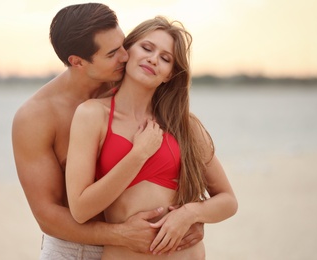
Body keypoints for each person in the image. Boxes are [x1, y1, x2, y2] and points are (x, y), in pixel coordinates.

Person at [12, 3, 203, 260]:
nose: (125, 56)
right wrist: (120, 234)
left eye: (123, 44)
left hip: (134, 248)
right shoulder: (36, 117)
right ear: (77, 62)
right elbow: (47, 215)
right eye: (113, 53)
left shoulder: (129, 82)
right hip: (75, 249)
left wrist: (189, 218)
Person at [65, 16, 238, 259]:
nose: (153, 59)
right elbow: (81, 209)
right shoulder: (93, 114)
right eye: (147, 48)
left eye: (165, 58)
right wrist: (138, 155)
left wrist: (189, 214)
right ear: (128, 51)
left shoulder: (184, 125)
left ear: (169, 74)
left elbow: (228, 201)